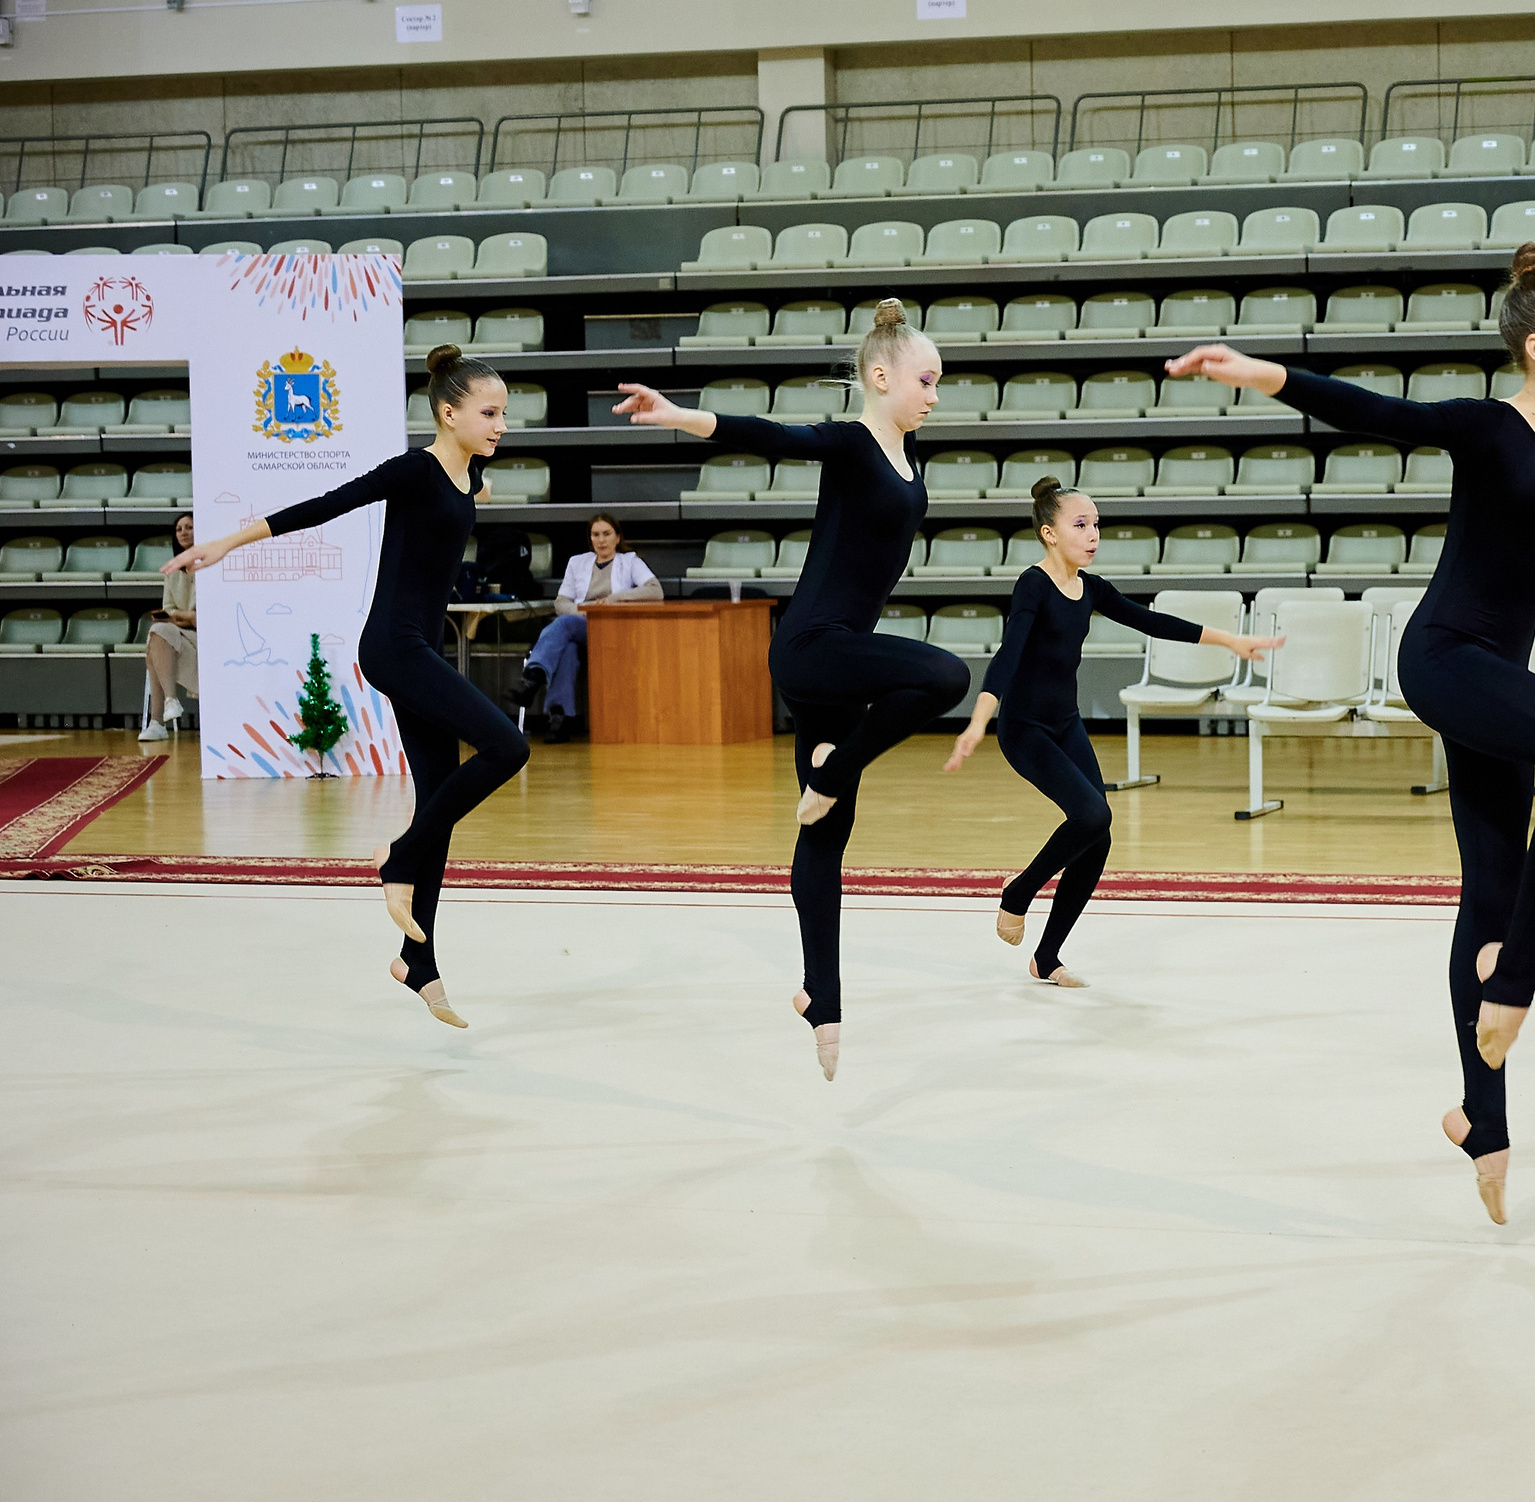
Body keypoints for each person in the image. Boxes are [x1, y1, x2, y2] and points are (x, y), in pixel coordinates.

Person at [1167, 244, 1535, 1224]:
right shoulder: (1486, 427)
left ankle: (1480, 1118)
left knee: (1489, 880)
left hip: (1495, 674)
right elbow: (1375, 412)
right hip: (1444, 656)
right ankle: (1513, 977)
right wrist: (1258, 373)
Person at [613, 299, 969, 1083]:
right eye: (927, 381)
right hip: (811, 648)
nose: (936, 395)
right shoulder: (850, 442)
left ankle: (823, 998)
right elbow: (769, 436)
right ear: (881, 377)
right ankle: (834, 771)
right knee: (946, 676)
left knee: (825, 833)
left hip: (834, 664)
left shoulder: (911, 458)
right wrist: (680, 416)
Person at [165, 346, 528, 1030]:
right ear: (448, 414)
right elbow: (327, 505)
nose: (501, 424)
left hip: (414, 646)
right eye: (489, 412)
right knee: (508, 747)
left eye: (503, 412)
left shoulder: (470, 468)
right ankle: (400, 854)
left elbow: (463, 501)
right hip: (394, 648)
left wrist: (475, 491)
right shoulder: (415, 471)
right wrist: (227, 544)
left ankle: (415, 961)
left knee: (441, 795)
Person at [944, 478, 1278, 986]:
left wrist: (1229, 641)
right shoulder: (1033, 585)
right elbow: (1008, 655)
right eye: (1081, 525)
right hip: (1025, 730)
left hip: (1065, 723)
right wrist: (978, 721)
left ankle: (1047, 957)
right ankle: (1018, 893)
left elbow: (1150, 621)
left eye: (1097, 524)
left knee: (1096, 835)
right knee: (1093, 812)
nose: (1093, 534)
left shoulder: (1091, 588)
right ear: (1049, 533)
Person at [513, 512, 659, 742]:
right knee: (567, 645)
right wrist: (584, 611)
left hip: (611, 627)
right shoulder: (577, 562)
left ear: (617, 537)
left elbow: (654, 590)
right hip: (580, 623)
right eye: (595, 535)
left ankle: (533, 677)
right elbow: (561, 602)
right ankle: (559, 718)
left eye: (606, 534)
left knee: (563, 627)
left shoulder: (630, 561)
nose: (601, 540)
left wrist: (615, 599)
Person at [138, 510, 196, 742]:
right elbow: (168, 609)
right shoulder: (172, 571)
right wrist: (185, 616)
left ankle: (157, 721)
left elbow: (201, 617)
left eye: (189, 527)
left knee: (156, 639)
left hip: (204, 635)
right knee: (157, 632)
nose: (183, 532)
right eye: (179, 529)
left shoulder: (209, 565)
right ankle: (169, 702)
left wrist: (182, 617)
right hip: (179, 631)